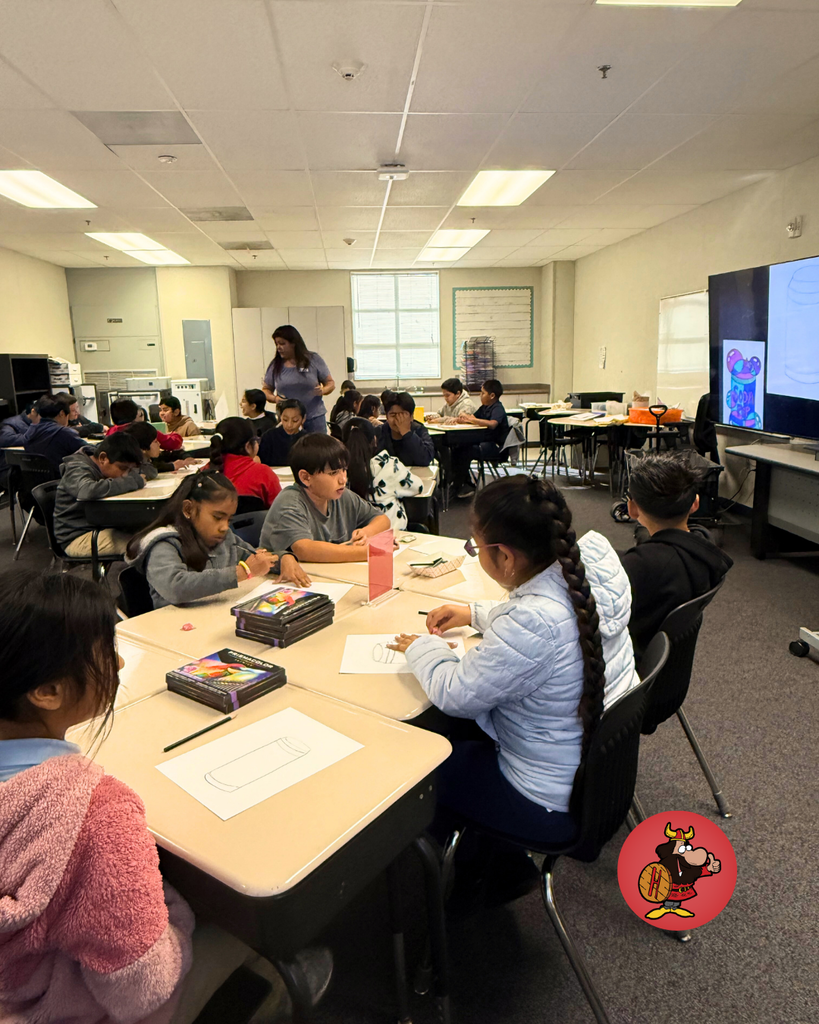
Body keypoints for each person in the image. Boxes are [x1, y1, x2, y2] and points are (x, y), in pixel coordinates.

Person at [0, 568, 329, 1024]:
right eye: (103, 653)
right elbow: (142, 988)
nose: (118, 665)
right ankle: (273, 989)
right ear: (47, 691)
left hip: (15, 975)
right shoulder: (93, 815)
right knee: (248, 924)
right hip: (55, 1005)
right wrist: (177, 915)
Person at [387, 476, 638, 892]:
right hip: (596, 776)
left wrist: (422, 647)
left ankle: (473, 885)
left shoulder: (533, 623)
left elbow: (454, 692)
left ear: (505, 556)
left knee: (421, 768)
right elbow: (549, 614)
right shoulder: (589, 567)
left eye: (476, 547)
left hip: (546, 797)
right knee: (464, 734)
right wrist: (475, 613)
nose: (476, 553)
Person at [126, 471, 309, 608]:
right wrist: (241, 572)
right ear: (188, 509)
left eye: (229, 519)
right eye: (217, 517)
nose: (224, 527)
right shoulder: (164, 544)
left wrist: (283, 558)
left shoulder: (225, 538)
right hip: (174, 630)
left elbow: (255, 559)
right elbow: (176, 587)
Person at [620, 451, 734, 657]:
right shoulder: (704, 543)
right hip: (664, 663)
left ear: (632, 509)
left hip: (632, 660)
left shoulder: (638, 566)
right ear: (695, 503)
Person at [260, 434, 390, 562]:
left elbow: (382, 519)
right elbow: (304, 549)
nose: (343, 479)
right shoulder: (290, 503)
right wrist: (367, 552)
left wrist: (366, 532)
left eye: (344, 469)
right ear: (306, 477)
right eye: (333, 473)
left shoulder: (341, 495)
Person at [54, 433, 146, 557]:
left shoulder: (105, 462)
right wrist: (132, 481)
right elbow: (86, 490)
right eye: (123, 468)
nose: (124, 475)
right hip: (78, 536)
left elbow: (145, 471)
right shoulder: (76, 468)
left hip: (100, 525)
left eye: (129, 470)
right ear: (103, 458)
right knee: (144, 546)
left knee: (150, 534)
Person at [344, 417, 423, 531]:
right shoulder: (389, 466)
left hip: (352, 538)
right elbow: (418, 487)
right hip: (390, 535)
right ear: (374, 440)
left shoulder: (337, 473)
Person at [261, 324, 335, 434]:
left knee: (317, 444)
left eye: (282, 343)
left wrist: (323, 390)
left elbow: (330, 383)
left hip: (314, 418)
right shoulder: (275, 365)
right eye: (276, 344)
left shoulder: (313, 359)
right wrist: (274, 398)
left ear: (293, 343)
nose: (279, 347)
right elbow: (266, 390)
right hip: (288, 422)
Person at [451, 379, 509, 499]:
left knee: (465, 451)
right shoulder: (484, 407)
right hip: (483, 442)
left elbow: (492, 424)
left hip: (494, 447)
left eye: (483, 393)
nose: (480, 395)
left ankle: (462, 485)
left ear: (492, 396)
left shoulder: (497, 408)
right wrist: (463, 419)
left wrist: (472, 419)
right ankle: (462, 482)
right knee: (457, 448)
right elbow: (472, 417)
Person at [208, 416, 282, 507]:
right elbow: (279, 510)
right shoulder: (264, 474)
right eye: (257, 440)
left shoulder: (204, 473)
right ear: (248, 446)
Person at [22, 395, 86, 469]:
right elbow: (89, 451)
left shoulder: (29, 432)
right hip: (62, 475)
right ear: (62, 413)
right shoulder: (64, 433)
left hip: (37, 475)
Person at [377, 392, 435, 468]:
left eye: (403, 415)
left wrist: (406, 432)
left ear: (411, 417)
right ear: (387, 417)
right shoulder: (379, 433)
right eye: (393, 415)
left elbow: (425, 459)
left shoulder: (419, 430)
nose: (398, 420)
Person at [124, 421, 198, 478]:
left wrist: (186, 457)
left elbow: (171, 454)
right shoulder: (133, 468)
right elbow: (152, 471)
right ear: (143, 448)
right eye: (155, 442)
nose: (159, 444)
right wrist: (172, 466)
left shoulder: (150, 457)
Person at [107, 398, 183, 453]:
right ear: (135, 413)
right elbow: (172, 443)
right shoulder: (142, 429)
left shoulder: (110, 431)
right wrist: (175, 434)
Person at [258, 398, 306, 467]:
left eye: (295, 420)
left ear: (303, 419)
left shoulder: (307, 439)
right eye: (285, 419)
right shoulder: (269, 436)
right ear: (280, 417)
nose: (289, 425)